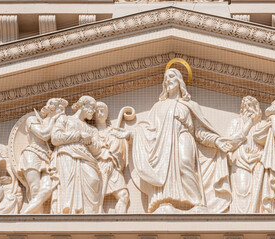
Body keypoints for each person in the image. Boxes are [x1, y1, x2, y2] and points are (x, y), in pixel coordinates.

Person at [130, 68, 233, 213]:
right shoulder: (158, 107)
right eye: (165, 78)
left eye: (171, 77)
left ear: (179, 81)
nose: (168, 80)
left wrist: (216, 141)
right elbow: (148, 131)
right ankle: (166, 200)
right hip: (163, 147)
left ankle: (196, 202)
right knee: (165, 168)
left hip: (184, 136)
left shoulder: (189, 105)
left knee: (185, 164)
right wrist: (132, 134)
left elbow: (199, 132)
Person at [50, 96, 102, 214]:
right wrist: (78, 135)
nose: (94, 111)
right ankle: (67, 213)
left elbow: (97, 150)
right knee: (68, 186)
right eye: (92, 107)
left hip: (87, 158)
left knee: (94, 180)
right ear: (83, 105)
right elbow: (55, 138)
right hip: (67, 155)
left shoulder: (92, 129)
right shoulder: (65, 119)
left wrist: (89, 142)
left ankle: (90, 216)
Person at [18, 98, 67, 214]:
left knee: (47, 189)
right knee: (35, 188)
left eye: (64, 110)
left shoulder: (57, 126)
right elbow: (43, 135)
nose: (63, 113)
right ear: (51, 109)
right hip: (32, 154)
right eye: (60, 109)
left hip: (46, 158)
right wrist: (53, 120)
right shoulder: (33, 119)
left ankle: (26, 214)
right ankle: (35, 220)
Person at [228, 96, 264, 213]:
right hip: (241, 161)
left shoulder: (262, 125)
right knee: (242, 191)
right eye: (246, 105)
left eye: (251, 106)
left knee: (259, 196)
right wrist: (247, 125)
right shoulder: (237, 122)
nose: (248, 109)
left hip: (258, 163)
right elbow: (230, 143)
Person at [94, 101, 130, 213]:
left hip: (112, 166)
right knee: (97, 198)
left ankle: (120, 225)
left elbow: (120, 149)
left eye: (103, 111)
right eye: (97, 111)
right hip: (97, 168)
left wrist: (112, 156)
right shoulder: (91, 131)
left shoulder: (113, 131)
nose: (100, 113)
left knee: (124, 195)